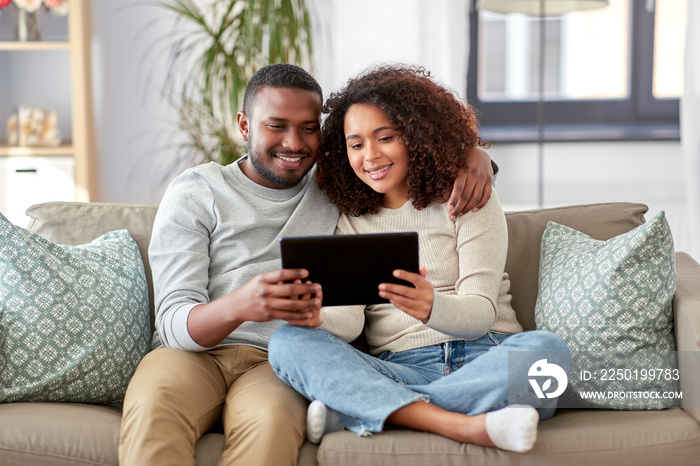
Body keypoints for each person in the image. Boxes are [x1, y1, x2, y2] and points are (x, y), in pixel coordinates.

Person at [118, 63, 497, 466]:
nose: (293, 143)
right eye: (276, 126)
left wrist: (475, 156)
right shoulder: (197, 192)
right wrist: (242, 305)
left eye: (308, 128)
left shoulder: (336, 187)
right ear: (245, 126)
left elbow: (402, 154)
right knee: (153, 413)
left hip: (280, 359)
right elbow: (173, 321)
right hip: (189, 356)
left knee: (269, 427)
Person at [267, 64, 571, 453]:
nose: (371, 156)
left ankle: (369, 411)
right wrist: (318, 318)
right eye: (356, 144)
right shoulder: (352, 220)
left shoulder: (467, 197)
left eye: (385, 138)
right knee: (289, 341)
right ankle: (460, 423)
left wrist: (431, 306)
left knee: (547, 352)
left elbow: (479, 314)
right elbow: (350, 319)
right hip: (399, 365)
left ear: (416, 135)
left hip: (489, 353)